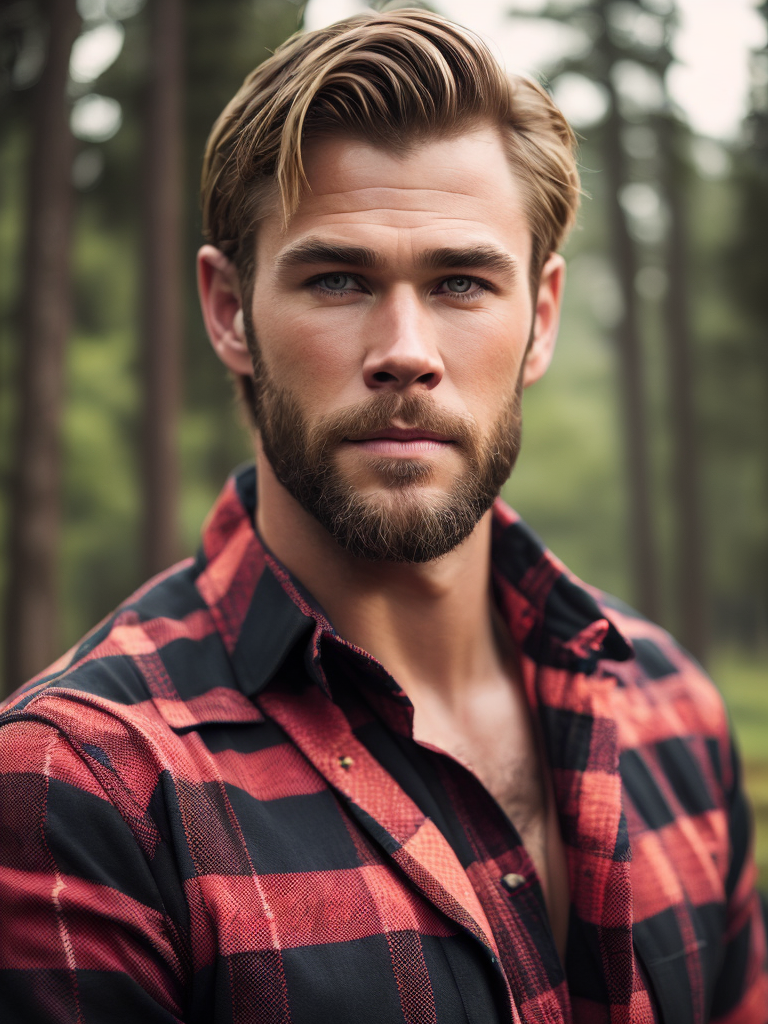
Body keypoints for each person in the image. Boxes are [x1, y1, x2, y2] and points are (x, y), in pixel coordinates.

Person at [1, 8, 766, 1022]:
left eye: (460, 281)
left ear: (540, 317)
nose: (405, 347)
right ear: (229, 310)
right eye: (337, 278)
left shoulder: (673, 711)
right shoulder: (82, 787)